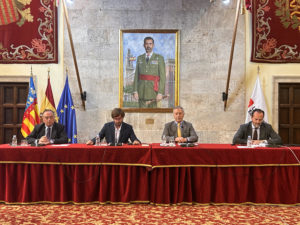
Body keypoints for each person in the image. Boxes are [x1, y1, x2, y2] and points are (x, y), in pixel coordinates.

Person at [133, 36, 166, 108]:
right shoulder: (140, 58)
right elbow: (136, 76)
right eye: (146, 44)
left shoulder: (159, 58)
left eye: (150, 44)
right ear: (144, 45)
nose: (148, 46)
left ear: (153, 45)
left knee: (153, 116)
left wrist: (160, 93)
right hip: (141, 91)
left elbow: (163, 77)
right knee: (141, 114)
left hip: (153, 92)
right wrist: (135, 91)